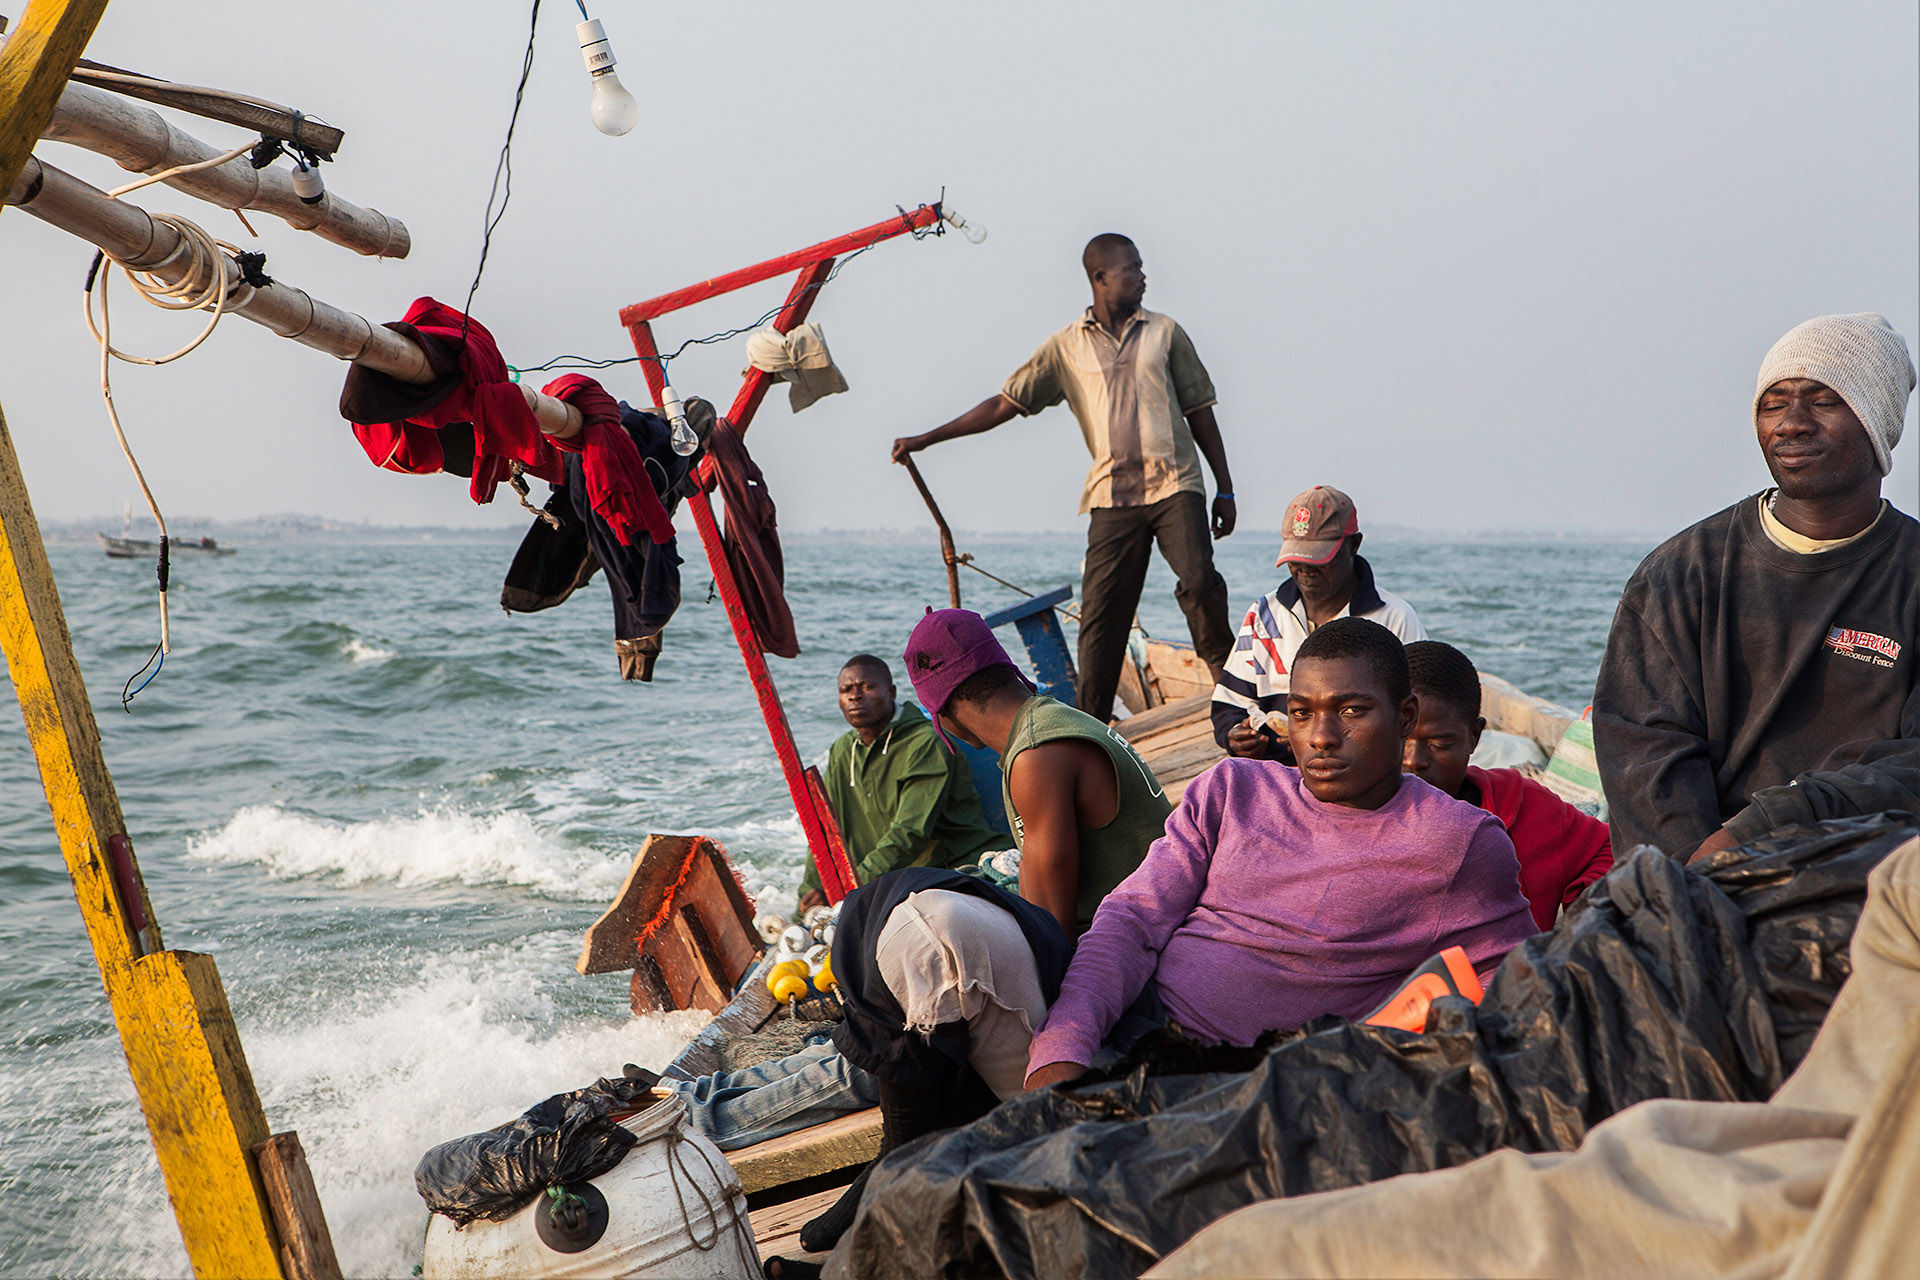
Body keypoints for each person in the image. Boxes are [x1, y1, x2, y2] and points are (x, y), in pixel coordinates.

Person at [1026, 618, 1537, 1090]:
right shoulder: (1232, 788)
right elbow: (1133, 917)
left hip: (1261, 1085)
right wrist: (1063, 1045)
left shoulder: (1457, 840)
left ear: (1405, 717)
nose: (1319, 737)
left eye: (1352, 711)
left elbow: (1512, 984)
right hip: (1138, 1022)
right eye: (1301, 712)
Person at [1593, 313, 1920, 863]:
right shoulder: (1680, 575)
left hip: (1872, 873)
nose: (1791, 423)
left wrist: (1768, 826)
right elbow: (1645, 755)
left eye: (1823, 400)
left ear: (1877, 418)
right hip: (1699, 874)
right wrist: (1701, 882)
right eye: (1774, 404)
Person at [891, 233, 1237, 723]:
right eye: (1131, 268)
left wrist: (1224, 486)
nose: (1143, 275)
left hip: (1175, 483)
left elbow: (1200, 411)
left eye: (1141, 267)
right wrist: (927, 439)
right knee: (1100, 617)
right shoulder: (1066, 347)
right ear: (1100, 278)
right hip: (1112, 496)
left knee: (1200, 581)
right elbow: (1003, 403)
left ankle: (1229, 685)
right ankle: (1093, 725)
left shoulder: (1166, 333)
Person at [903, 607, 1176, 938]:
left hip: (1142, 937)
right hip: (1160, 909)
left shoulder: (1036, 755)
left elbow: (1050, 929)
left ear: (943, 714)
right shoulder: (1052, 718)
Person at [1402, 640, 1613, 930]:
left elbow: (1605, 847)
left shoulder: (1522, 807)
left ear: (1475, 737)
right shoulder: (1349, 816)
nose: (1413, 760)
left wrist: (1585, 910)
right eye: (1400, 740)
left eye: (1439, 744)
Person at [1210, 485, 1426, 761]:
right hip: (1278, 773)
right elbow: (1229, 704)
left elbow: (1415, 717)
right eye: (1297, 559)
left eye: (1318, 559)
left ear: (1354, 545)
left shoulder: (1394, 618)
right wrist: (1235, 736)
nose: (1305, 569)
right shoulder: (1264, 614)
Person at [798, 655, 1011, 910]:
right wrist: (812, 892)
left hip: (948, 869)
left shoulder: (925, 743)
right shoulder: (843, 750)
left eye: (866, 687)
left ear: (891, 692)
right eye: (845, 690)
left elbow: (910, 833)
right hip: (885, 879)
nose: (854, 696)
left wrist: (850, 889)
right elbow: (825, 826)